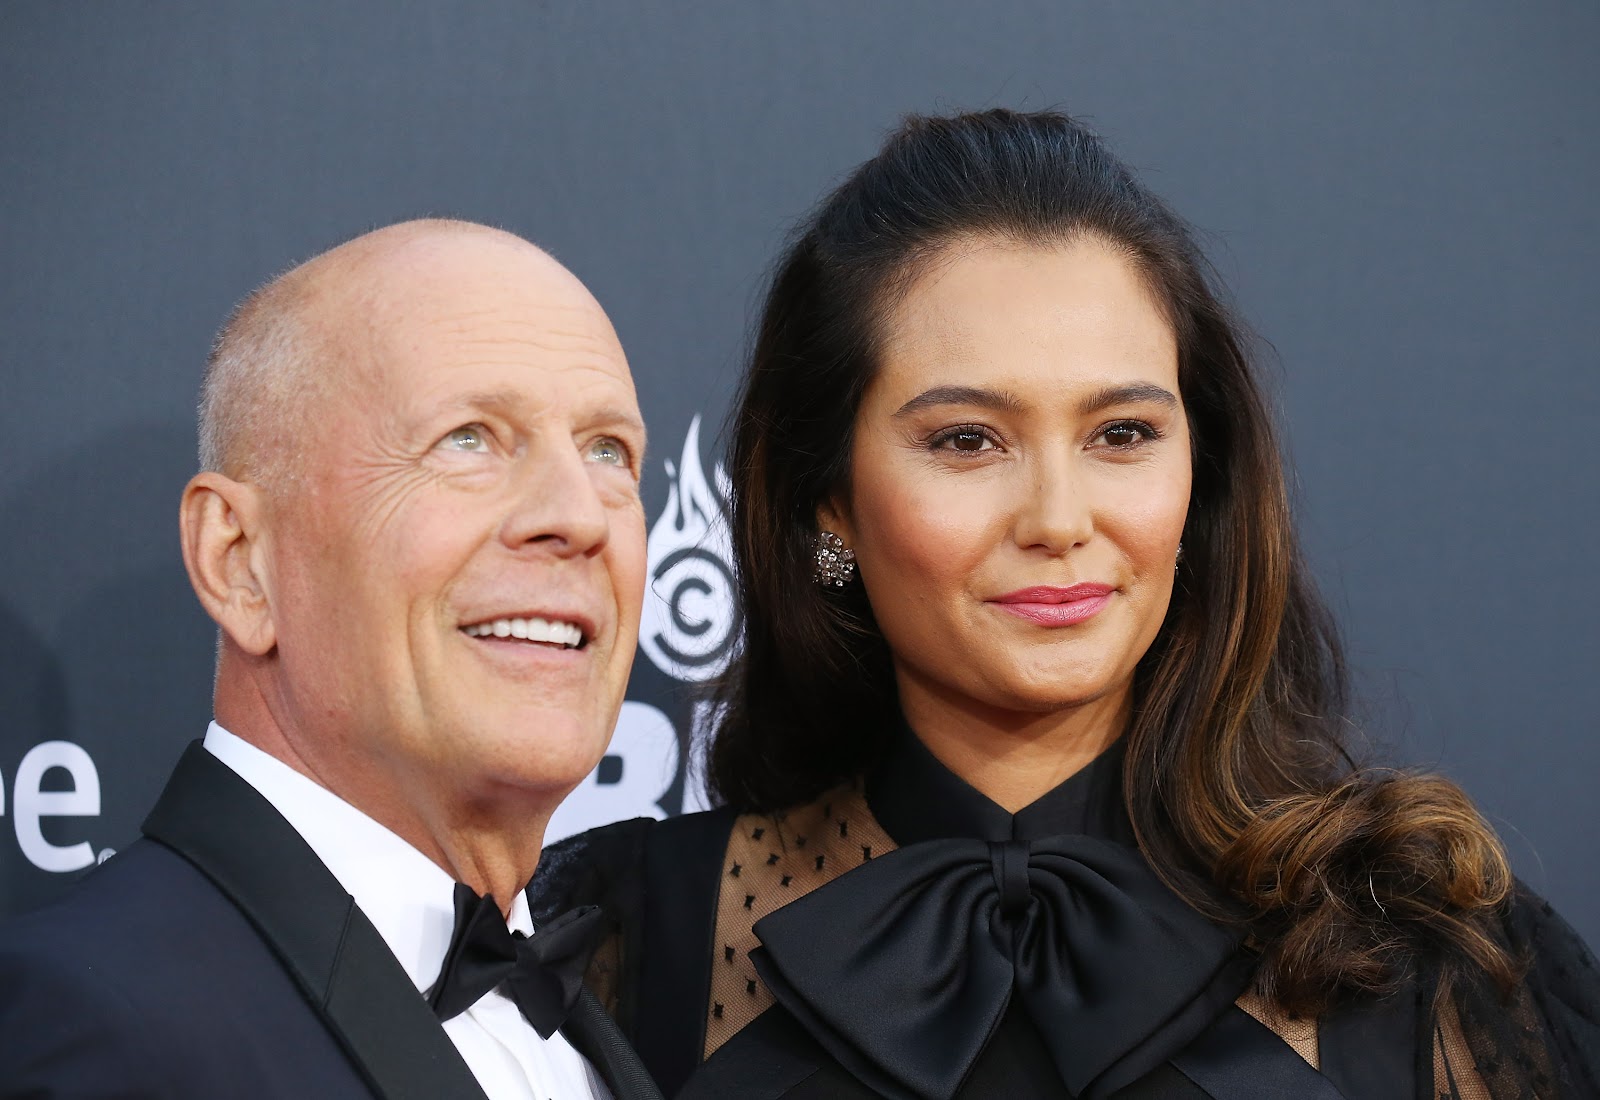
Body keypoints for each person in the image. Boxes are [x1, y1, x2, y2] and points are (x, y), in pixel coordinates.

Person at [532, 111, 1600, 1099]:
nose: (1057, 515)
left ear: (1202, 474)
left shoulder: (1427, 951)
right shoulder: (622, 936)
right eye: (965, 440)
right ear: (831, 507)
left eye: (1120, 434)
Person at [0, 220, 663, 1100]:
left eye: (607, 451)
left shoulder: (614, 1023)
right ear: (240, 561)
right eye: (468, 438)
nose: (579, 516)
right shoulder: (88, 1021)